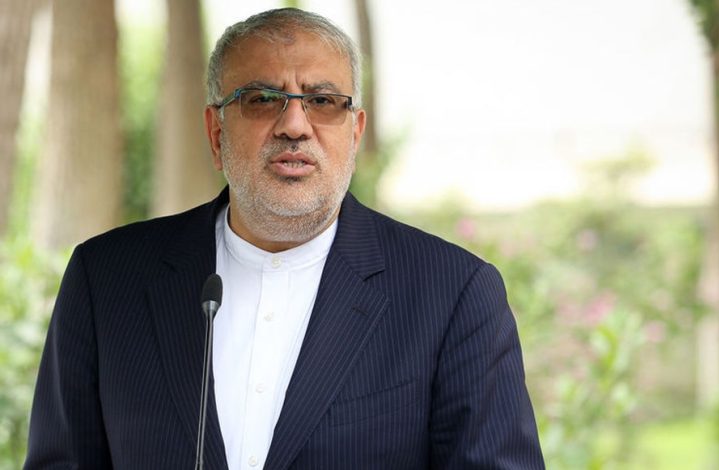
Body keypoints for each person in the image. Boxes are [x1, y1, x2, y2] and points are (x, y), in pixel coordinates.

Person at [25, 8, 544, 470]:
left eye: (322, 100)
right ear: (216, 133)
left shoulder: (452, 293)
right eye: (262, 99)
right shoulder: (106, 279)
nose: (294, 125)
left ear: (355, 132)